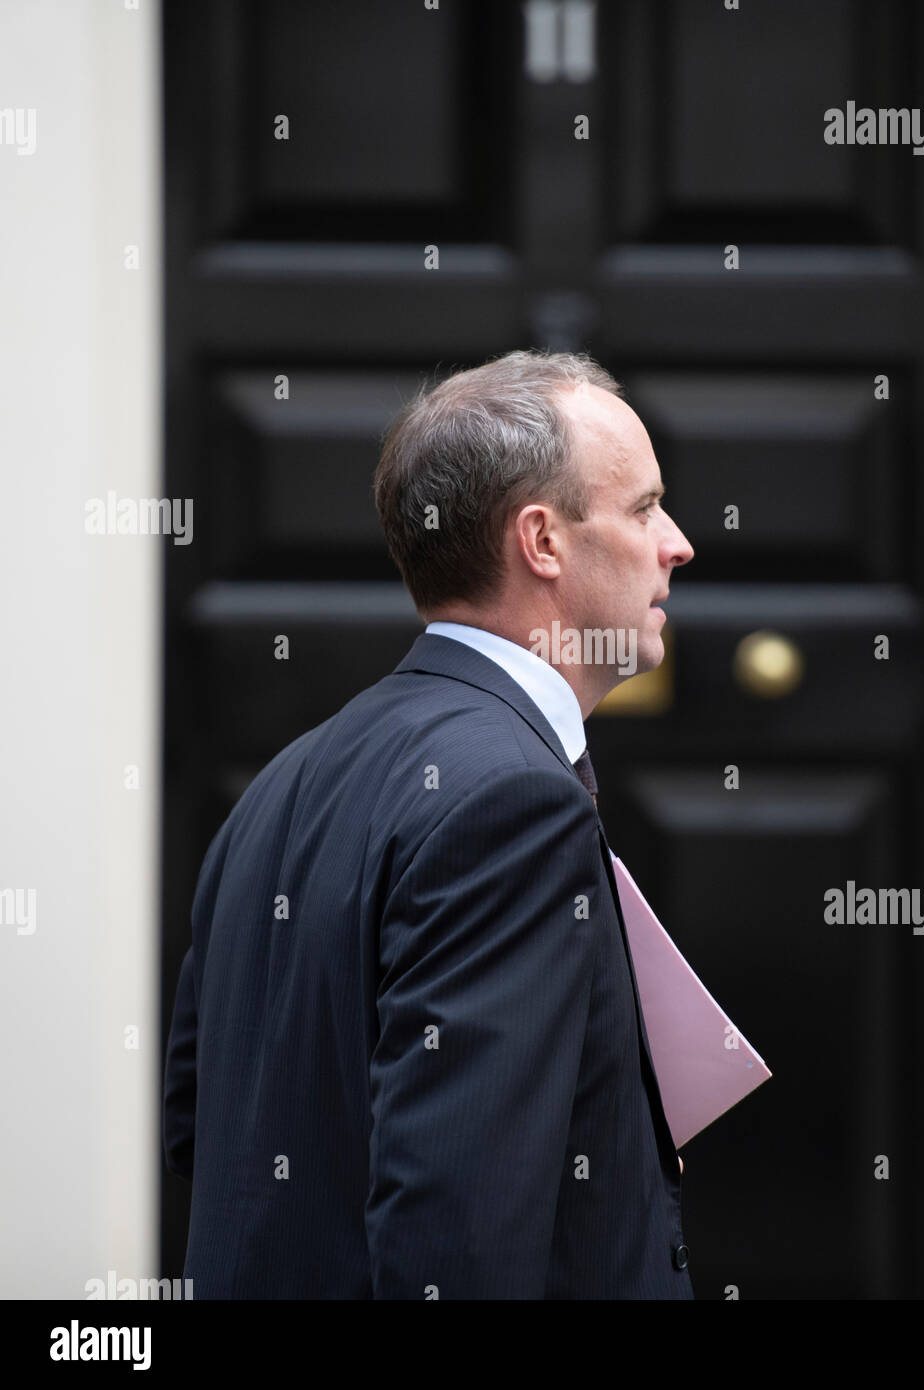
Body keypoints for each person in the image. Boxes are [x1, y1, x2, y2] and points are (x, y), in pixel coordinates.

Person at [163, 349, 696, 1298]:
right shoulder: (514, 803)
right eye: (645, 508)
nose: (678, 543)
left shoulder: (277, 788)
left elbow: (205, 1138)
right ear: (543, 541)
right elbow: (461, 1228)